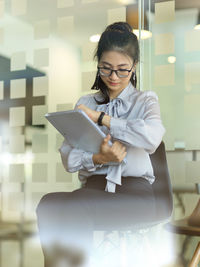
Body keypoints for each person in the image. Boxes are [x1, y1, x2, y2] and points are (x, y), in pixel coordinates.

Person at [36, 21, 165, 267]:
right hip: (92, 191)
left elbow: (152, 138)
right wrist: (99, 158)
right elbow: (68, 158)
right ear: (98, 65)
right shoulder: (85, 102)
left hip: (135, 195)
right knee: (49, 204)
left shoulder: (146, 100)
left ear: (134, 66)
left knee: (77, 206)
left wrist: (101, 118)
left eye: (122, 69)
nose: (113, 77)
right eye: (106, 69)